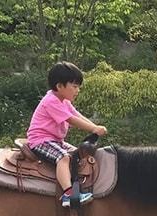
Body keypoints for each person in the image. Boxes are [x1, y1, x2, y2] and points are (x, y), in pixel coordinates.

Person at [27, 61, 107, 207]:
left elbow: (77, 115)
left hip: (55, 140)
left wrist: (94, 126)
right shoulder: (51, 101)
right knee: (63, 158)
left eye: (78, 87)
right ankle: (69, 195)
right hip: (40, 140)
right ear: (59, 86)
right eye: (74, 86)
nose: (77, 90)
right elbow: (71, 120)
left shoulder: (64, 101)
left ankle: (79, 189)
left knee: (77, 156)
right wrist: (93, 130)